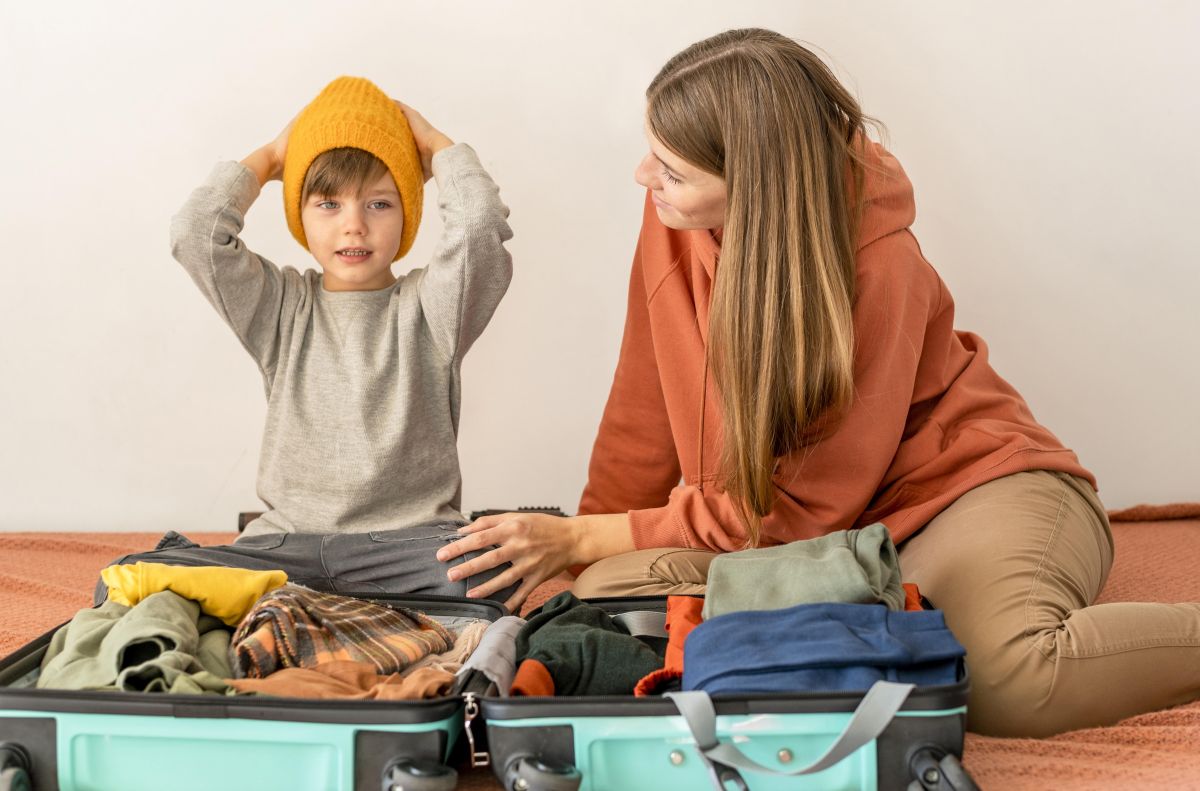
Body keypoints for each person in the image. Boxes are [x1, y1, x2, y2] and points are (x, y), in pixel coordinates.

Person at [437, 30, 1200, 736]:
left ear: (755, 183)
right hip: (819, 536)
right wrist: (578, 562)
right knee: (614, 594)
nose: (645, 176)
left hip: (960, 491)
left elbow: (804, 508)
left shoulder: (879, 266)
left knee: (1002, 678)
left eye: (670, 168)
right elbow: (645, 406)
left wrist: (580, 533)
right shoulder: (670, 214)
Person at [94, 76, 518, 604]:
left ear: (409, 211)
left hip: (405, 546)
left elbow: (478, 226)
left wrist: (435, 144)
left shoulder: (435, 308)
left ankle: (303, 607)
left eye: (380, 204)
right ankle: (310, 603)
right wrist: (272, 156)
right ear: (300, 212)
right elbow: (195, 232)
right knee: (127, 579)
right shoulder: (279, 305)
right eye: (328, 204)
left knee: (492, 579)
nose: (354, 226)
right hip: (284, 545)